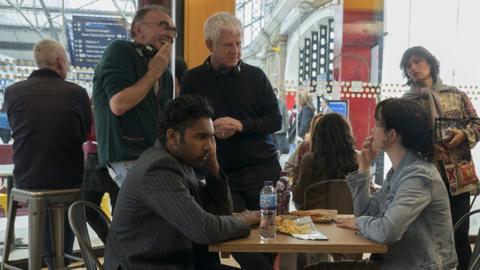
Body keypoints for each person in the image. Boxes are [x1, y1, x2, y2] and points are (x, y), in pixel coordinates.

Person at [104, 95, 258, 270]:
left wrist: (213, 164)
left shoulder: (181, 162)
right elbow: (205, 230)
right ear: (173, 137)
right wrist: (245, 220)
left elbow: (220, 212)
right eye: (201, 137)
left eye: (212, 138)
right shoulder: (158, 168)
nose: (209, 146)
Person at [336, 98, 457, 269]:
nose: (372, 129)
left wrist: (358, 223)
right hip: (395, 263)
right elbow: (365, 213)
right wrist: (364, 167)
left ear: (391, 135)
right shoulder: (398, 172)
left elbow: (387, 232)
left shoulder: (419, 176)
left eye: (377, 124)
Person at [181, 12, 281, 213]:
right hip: (221, 172)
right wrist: (210, 131)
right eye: (228, 45)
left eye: (238, 43)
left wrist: (241, 125)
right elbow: (183, 125)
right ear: (210, 45)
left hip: (262, 170)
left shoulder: (257, 77)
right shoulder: (193, 79)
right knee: (231, 237)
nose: (235, 51)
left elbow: (275, 121)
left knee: (270, 235)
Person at [4, 39, 91, 268]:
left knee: (41, 196)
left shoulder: (12, 92)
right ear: (61, 62)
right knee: (67, 192)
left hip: (26, 179)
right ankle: (59, 261)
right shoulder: (77, 93)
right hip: (66, 180)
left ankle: (47, 260)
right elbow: (82, 135)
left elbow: (18, 129)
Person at [400, 46, 480, 270]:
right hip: (423, 177)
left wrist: (463, 134)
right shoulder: (406, 103)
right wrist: (429, 149)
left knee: (460, 237)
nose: (413, 68)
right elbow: (402, 140)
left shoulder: (455, 94)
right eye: (408, 65)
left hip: (458, 179)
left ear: (430, 63)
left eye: (417, 61)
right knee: (426, 238)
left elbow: (477, 123)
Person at [92, 4, 174, 187]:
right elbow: (118, 104)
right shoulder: (120, 51)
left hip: (154, 157)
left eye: (173, 30)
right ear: (138, 30)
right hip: (126, 157)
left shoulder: (164, 71)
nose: (170, 33)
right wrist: (152, 74)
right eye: (163, 26)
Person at [292, 113, 357, 209]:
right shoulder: (355, 159)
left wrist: (297, 169)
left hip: (315, 218)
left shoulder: (310, 159)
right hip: (347, 218)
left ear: (318, 135)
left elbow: (298, 198)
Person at [272, 88, 290, 155]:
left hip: (280, 130)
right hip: (271, 130)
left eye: (275, 93)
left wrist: (286, 127)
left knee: (280, 147)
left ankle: (279, 155)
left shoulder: (282, 104)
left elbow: (286, 116)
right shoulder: (267, 103)